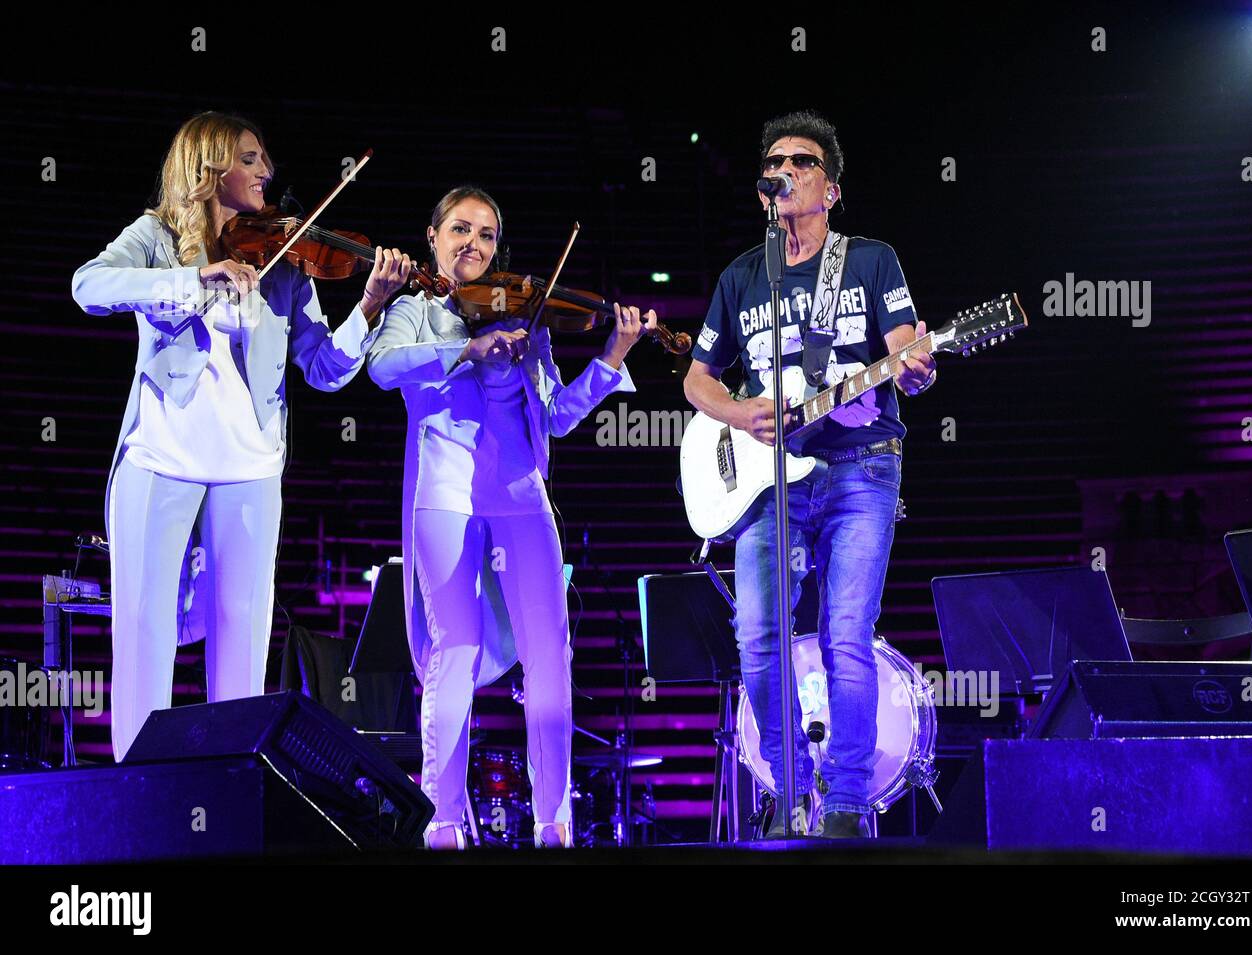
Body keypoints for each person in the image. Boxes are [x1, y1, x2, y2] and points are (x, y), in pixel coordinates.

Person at [71, 111, 412, 760]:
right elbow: (89, 286)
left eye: (265, 160)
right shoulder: (158, 236)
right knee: (144, 635)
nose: (268, 171)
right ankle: (141, 796)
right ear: (210, 164)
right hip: (159, 457)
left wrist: (367, 307)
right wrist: (194, 278)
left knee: (242, 639)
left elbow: (323, 369)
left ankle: (225, 793)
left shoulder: (286, 262)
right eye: (251, 158)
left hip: (251, 467)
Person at [368, 185, 657, 848]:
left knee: (550, 653)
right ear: (432, 236)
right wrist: (464, 352)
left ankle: (553, 818)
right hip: (444, 496)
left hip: (524, 496)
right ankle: (441, 819)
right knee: (454, 650)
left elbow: (554, 414)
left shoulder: (527, 319)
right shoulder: (413, 310)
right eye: (461, 230)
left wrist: (611, 358)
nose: (474, 244)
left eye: (488, 234)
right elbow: (381, 370)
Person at [682, 110, 936, 838]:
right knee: (758, 633)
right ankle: (790, 788)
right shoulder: (741, 275)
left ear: (830, 186)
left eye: (801, 160)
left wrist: (915, 368)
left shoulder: (870, 260)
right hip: (772, 477)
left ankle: (849, 802)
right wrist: (741, 413)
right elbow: (699, 380)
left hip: (862, 464)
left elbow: (904, 354)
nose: (785, 170)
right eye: (774, 162)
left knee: (845, 632)